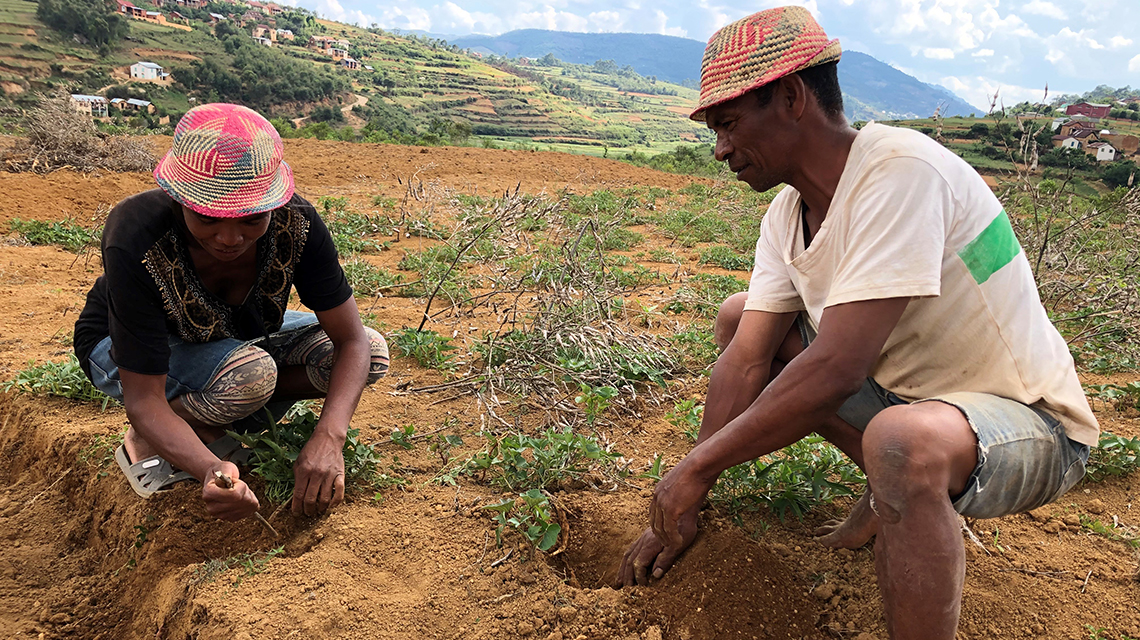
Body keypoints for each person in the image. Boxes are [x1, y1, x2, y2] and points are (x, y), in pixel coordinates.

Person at [615, 7, 1098, 639]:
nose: (721, 149)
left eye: (729, 124)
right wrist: (688, 492)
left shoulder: (900, 170)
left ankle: (903, 495)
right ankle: (891, 494)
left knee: (901, 443)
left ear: (790, 97)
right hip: (917, 402)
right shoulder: (788, 215)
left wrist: (695, 470)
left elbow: (838, 367)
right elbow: (746, 359)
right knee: (742, 322)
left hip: (1028, 423)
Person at [73, 103, 389, 523]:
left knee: (371, 349)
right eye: (207, 218)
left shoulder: (297, 224)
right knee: (249, 375)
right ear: (177, 198)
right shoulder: (136, 233)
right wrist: (209, 468)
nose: (228, 238)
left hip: (230, 339)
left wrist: (329, 436)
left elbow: (349, 340)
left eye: (251, 219)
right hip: (120, 348)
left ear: (274, 205)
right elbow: (143, 398)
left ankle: (205, 421)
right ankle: (149, 439)